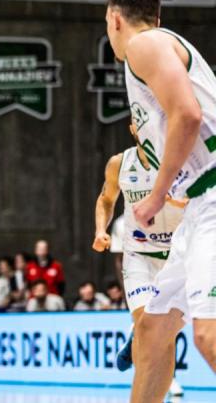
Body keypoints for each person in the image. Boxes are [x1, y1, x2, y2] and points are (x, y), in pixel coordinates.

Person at [105, 0, 216, 400]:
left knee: (207, 334)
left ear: (115, 18)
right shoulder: (159, 45)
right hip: (200, 200)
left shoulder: (144, 46)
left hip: (214, 197)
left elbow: (187, 115)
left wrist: (156, 195)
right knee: (152, 330)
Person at [91, 115, 185, 396]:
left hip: (177, 255)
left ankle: (143, 341)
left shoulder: (181, 159)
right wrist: (100, 230)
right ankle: (158, 381)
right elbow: (106, 199)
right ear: (133, 128)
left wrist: (173, 199)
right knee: (147, 325)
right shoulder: (119, 163)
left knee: (163, 329)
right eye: (139, 120)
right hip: (139, 254)